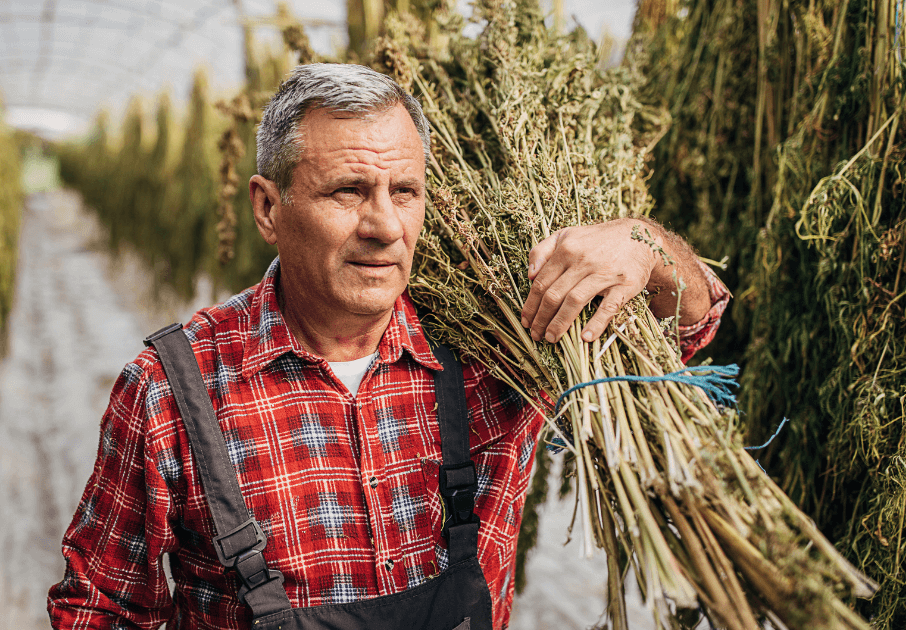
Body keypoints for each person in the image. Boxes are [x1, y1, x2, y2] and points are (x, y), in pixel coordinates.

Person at [47, 64, 729, 630]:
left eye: (404, 191)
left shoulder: (494, 350)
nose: (384, 226)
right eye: (348, 190)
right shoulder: (173, 391)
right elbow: (100, 607)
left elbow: (688, 329)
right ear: (266, 207)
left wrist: (642, 245)